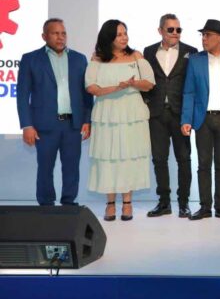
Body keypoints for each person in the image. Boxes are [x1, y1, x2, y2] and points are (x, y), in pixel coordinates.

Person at [17, 18, 93, 206]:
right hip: (44, 126)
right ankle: (46, 205)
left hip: (72, 125)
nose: (60, 37)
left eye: (63, 33)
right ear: (44, 36)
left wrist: (87, 120)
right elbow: (22, 95)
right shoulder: (31, 59)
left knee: (71, 168)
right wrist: (27, 125)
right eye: (55, 33)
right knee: (45, 168)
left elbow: (86, 94)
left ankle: (69, 204)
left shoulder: (79, 59)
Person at [85, 19, 155, 221]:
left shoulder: (136, 56)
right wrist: (117, 87)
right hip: (107, 114)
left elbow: (149, 83)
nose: (124, 38)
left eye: (125, 33)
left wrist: (132, 84)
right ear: (109, 38)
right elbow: (91, 87)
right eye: (119, 35)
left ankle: (127, 203)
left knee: (129, 156)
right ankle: (110, 204)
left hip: (132, 113)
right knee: (109, 156)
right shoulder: (98, 59)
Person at [181, 19, 220, 221]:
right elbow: (189, 92)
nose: (204, 39)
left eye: (207, 35)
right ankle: (205, 207)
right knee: (203, 165)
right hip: (203, 120)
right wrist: (186, 119)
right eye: (203, 35)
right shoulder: (195, 60)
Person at [144, 14, 197, 219]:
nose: (175, 33)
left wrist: (190, 114)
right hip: (156, 113)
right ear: (160, 31)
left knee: (184, 158)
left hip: (181, 114)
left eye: (178, 29)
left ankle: (184, 203)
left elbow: (194, 84)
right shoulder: (148, 52)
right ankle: (164, 202)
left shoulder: (191, 52)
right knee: (159, 159)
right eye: (171, 29)